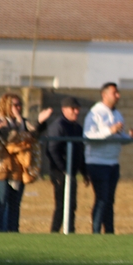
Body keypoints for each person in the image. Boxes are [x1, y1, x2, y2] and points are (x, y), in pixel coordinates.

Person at [0, 93, 53, 233]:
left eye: (20, 105)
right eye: (15, 105)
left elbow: (34, 135)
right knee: (1, 201)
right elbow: (10, 139)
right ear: (6, 105)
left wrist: (40, 122)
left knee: (14, 202)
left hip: (19, 167)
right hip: (2, 167)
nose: (18, 108)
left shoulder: (22, 121)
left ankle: (13, 231)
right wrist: (19, 124)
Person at [84, 83, 132, 234]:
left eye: (118, 93)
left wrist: (129, 138)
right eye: (114, 93)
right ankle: (96, 232)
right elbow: (88, 137)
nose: (118, 96)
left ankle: (109, 232)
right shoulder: (95, 113)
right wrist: (109, 130)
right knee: (102, 199)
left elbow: (118, 137)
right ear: (104, 95)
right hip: (97, 163)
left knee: (109, 201)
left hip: (113, 163)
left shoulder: (117, 114)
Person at [45, 96, 87, 233]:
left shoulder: (77, 127)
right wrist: (63, 169)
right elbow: (52, 149)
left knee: (71, 204)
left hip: (71, 172)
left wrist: (84, 172)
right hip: (60, 172)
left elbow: (80, 151)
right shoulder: (59, 126)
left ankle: (70, 231)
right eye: (73, 109)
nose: (76, 112)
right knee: (62, 205)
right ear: (64, 109)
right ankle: (55, 232)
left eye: (77, 109)